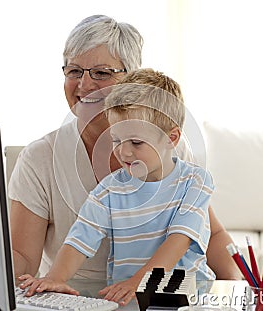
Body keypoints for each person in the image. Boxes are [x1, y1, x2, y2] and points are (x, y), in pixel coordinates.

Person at [9, 14, 239, 285]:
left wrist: (238, 286)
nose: (84, 85)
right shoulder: (40, 159)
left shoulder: (167, 148)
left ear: (133, 79)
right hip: (78, 301)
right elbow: (21, 256)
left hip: (158, 296)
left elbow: (209, 234)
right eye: (74, 71)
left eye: (102, 73)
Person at [19, 69, 215, 306]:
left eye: (136, 142)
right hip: (127, 298)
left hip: (186, 298)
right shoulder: (110, 190)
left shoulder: (195, 181)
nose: (124, 151)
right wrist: (55, 277)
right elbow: (81, 237)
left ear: (171, 139)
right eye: (116, 140)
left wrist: (139, 281)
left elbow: (179, 239)